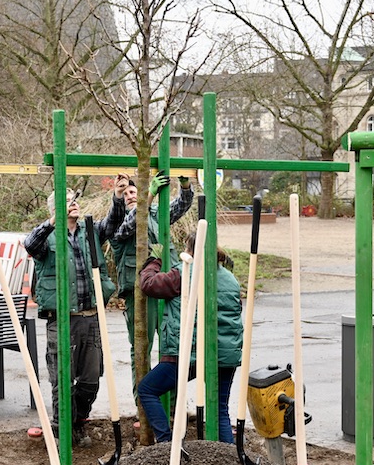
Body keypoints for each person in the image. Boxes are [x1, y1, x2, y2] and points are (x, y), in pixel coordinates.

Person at [24, 174, 129, 446]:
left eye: (74, 200)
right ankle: (62, 432)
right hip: (62, 320)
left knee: (91, 380)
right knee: (62, 380)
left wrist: (117, 197)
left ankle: (78, 421)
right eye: (67, 201)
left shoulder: (89, 231)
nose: (73, 205)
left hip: (91, 317)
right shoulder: (47, 236)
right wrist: (52, 222)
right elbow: (30, 245)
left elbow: (114, 223)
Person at [135, 233, 243, 444]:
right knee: (219, 408)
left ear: (190, 250)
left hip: (190, 353)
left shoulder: (185, 272)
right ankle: (231, 460)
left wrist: (153, 262)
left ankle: (167, 444)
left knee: (147, 389)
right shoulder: (230, 278)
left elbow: (149, 284)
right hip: (225, 355)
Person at [109, 172, 193, 390]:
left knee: (172, 348)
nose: (129, 195)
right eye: (125, 193)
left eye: (133, 191)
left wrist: (185, 187)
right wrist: (149, 195)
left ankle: (171, 406)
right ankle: (143, 407)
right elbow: (134, 222)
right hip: (140, 295)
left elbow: (180, 206)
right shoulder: (118, 223)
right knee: (141, 348)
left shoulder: (156, 214)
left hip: (166, 291)